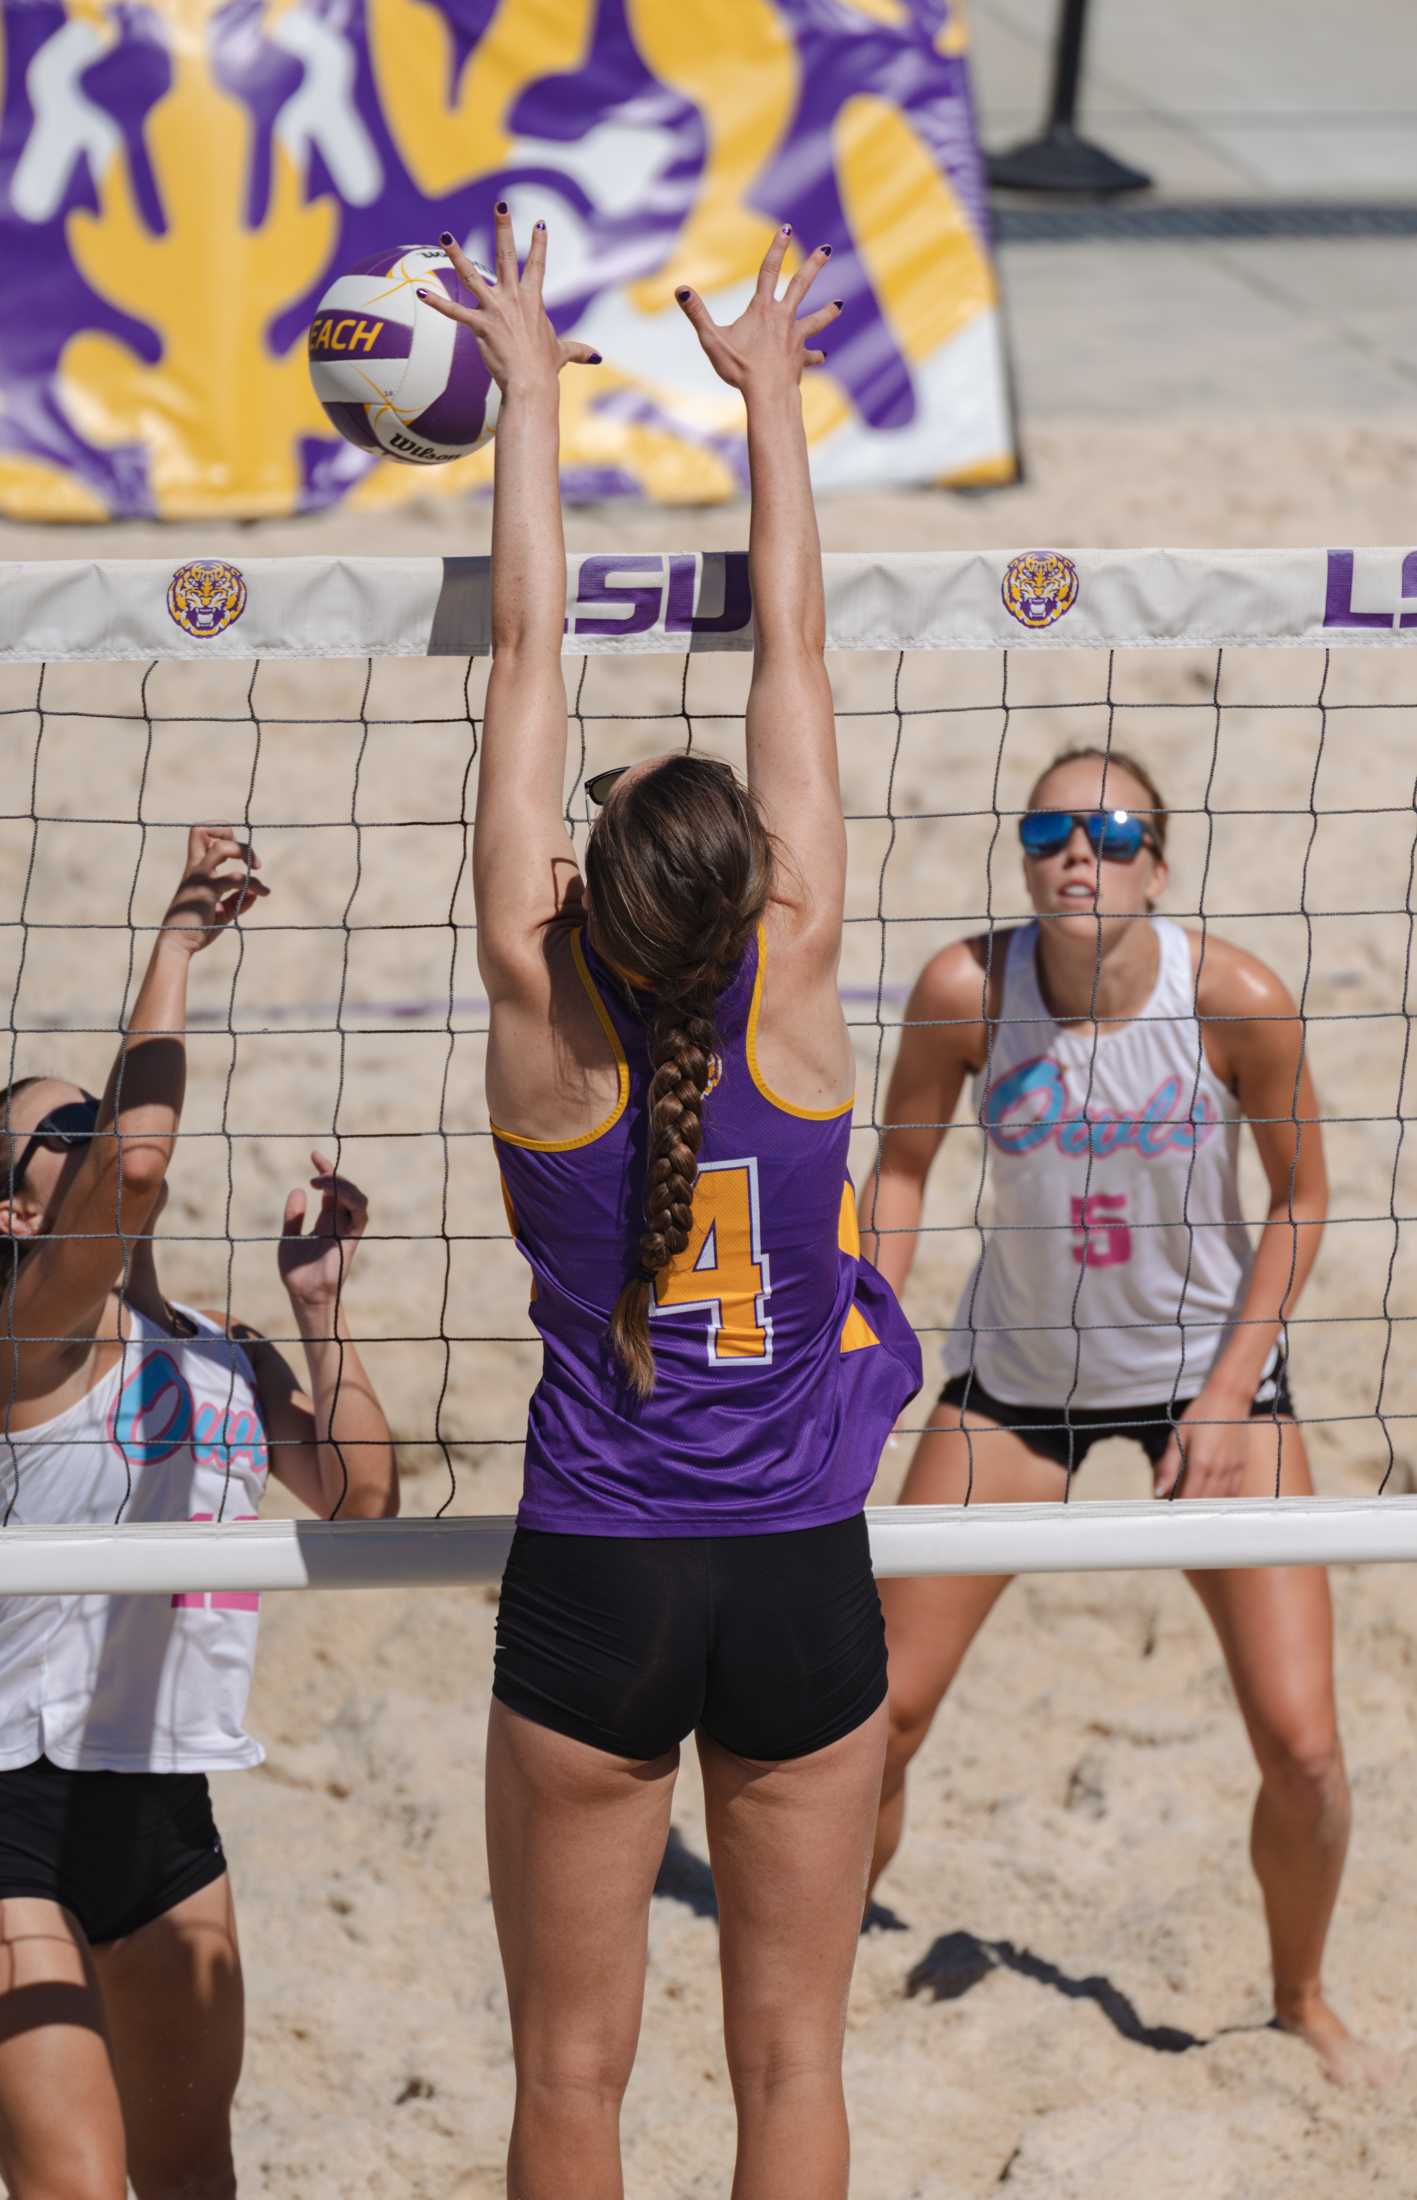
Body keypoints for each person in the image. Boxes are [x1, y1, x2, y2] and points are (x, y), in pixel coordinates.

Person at [419, 211, 920, 2197]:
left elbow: (531, 647)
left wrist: (529, 391)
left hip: (599, 1579)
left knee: (567, 2077)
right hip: (798, 1567)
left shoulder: (538, 1012)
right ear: (750, 889)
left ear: (590, 880)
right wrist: (769, 401)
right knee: (791, 2066)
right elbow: (795, 638)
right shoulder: (796, 983)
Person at [859, 743, 1390, 2087]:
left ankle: (1299, 1999)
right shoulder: (963, 988)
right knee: (874, 1721)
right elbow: (902, 1170)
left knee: (1303, 1746)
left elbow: (1302, 1201)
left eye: (1107, 830)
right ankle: (820, 1961)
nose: (1075, 851)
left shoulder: (1230, 996)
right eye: (1050, 830)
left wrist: (1224, 1393)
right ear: (1026, 854)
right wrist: (854, 1341)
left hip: (1201, 1383)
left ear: (1156, 860)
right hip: (1016, 1379)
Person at [0, 825, 398, 2199]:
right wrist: (173, 945)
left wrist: (319, 1310)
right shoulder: (30, 1341)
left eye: (87, 1116)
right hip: (9, 1802)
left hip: (160, 1795)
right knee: (72, 2184)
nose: (93, 1136)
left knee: (189, 2173)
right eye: (58, 1131)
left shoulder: (222, 1349)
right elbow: (138, 1170)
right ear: (13, 1208)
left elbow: (359, 1497)